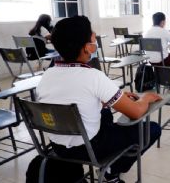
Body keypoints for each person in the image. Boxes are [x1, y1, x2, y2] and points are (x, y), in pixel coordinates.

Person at [36, 15, 162, 183]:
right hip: (90, 148)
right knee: (152, 129)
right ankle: (111, 172)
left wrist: (111, 97)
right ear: (86, 48)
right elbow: (136, 112)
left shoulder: (47, 75)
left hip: (58, 148)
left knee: (104, 111)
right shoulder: (93, 76)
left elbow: (75, 98)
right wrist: (145, 98)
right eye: (93, 41)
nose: (95, 45)